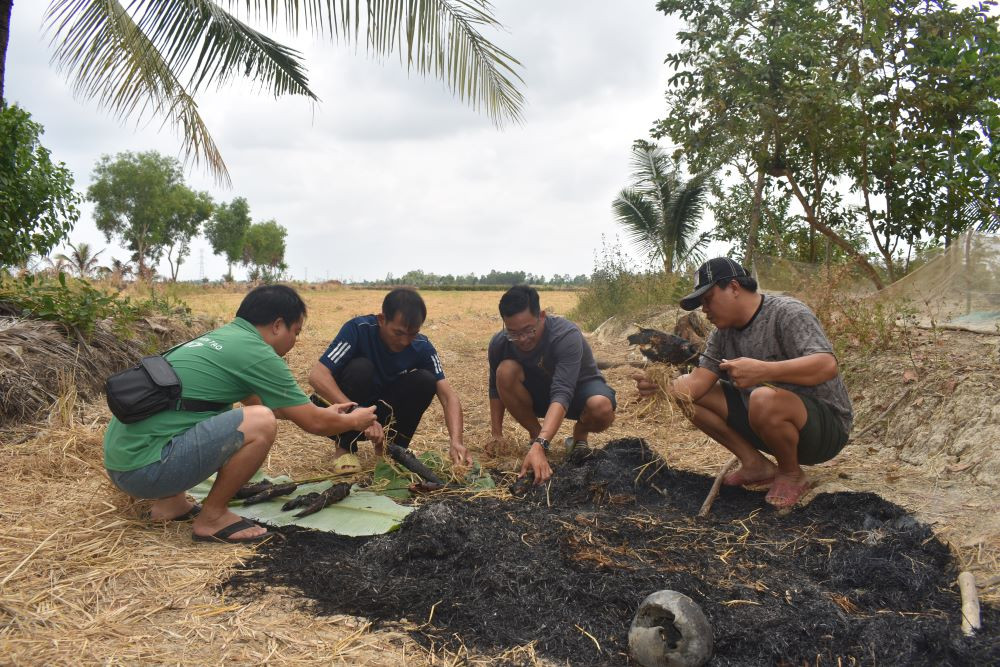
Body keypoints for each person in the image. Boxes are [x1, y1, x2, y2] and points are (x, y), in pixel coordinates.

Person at [103, 285, 377, 543]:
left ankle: (171, 504)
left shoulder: (221, 339)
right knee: (261, 423)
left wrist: (323, 411)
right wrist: (354, 421)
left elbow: (269, 405)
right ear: (278, 325)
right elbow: (312, 424)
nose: (295, 340)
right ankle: (212, 518)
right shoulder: (258, 353)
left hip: (123, 463)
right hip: (146, 471)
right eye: (296, 331)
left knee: (207, 413)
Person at [633, 258, 853, 509]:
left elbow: (827, 365)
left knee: (762, 398)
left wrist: (764, 371)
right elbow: (697, 383)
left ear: (735, 287)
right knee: (689, 393)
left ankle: (791, 473)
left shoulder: (787, 313)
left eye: (708, 299)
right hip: (767, 422)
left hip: (825, 429)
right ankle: (755, 465)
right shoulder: (722, 334)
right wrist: (662, 388)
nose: (704, 310)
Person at [308, 287, 471, 466]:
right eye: (398, 333)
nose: (405, 341)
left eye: (413, 334)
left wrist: (456, 441)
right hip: (341, 412)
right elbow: (318, 376)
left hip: (379, 414)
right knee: (361, 368)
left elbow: (448, 397)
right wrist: (356, 412)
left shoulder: (422, 347)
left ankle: (392, 450)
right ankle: (344, 447)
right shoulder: (358, 329)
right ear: (381, 319)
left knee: (425, 380)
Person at [488, 285, 617, 484]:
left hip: (579, 393)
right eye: (514, 333)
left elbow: (563, 391)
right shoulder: (499, 344)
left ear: (541, 316)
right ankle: (536, 433)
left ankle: (579, 437)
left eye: (528, 330)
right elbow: (495, 389)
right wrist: (496, 434)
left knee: (601, 408)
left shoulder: (566, 335)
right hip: (538, 395)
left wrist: (541, 445)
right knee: (504, 371)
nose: (522, 339)